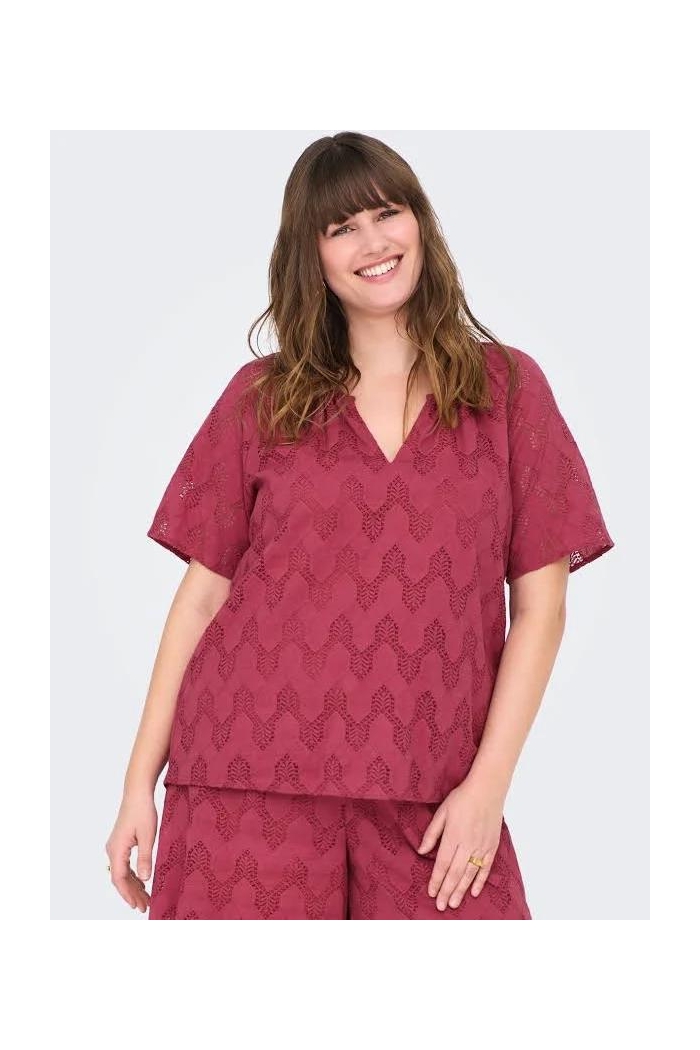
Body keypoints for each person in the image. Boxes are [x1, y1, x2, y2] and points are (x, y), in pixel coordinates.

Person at [105, 131, 615, 919]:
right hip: (245, 782)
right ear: (311, 256)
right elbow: (202, 598)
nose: (373, 242)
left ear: (420, 223)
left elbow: (541, 608)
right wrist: (138, 782)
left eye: (387, 213)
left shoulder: (507, 388)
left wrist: (488, 787)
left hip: (433, 791)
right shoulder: (262, 398)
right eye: (342, 227)